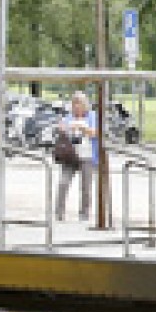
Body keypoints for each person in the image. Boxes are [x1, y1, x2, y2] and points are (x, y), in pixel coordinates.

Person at [53, 90, 97, 224]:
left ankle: (84, 214)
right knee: (63, 183)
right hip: (70, 155)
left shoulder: (92, 116)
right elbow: (61, 128)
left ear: (85, 105)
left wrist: (82, 128)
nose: (76, 107)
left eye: (79, 104)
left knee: (85, 187)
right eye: (74, 104)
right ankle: (59, 213)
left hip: (87, 155)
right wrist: (64, 128)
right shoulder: (68, 117)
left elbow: (95, 133)